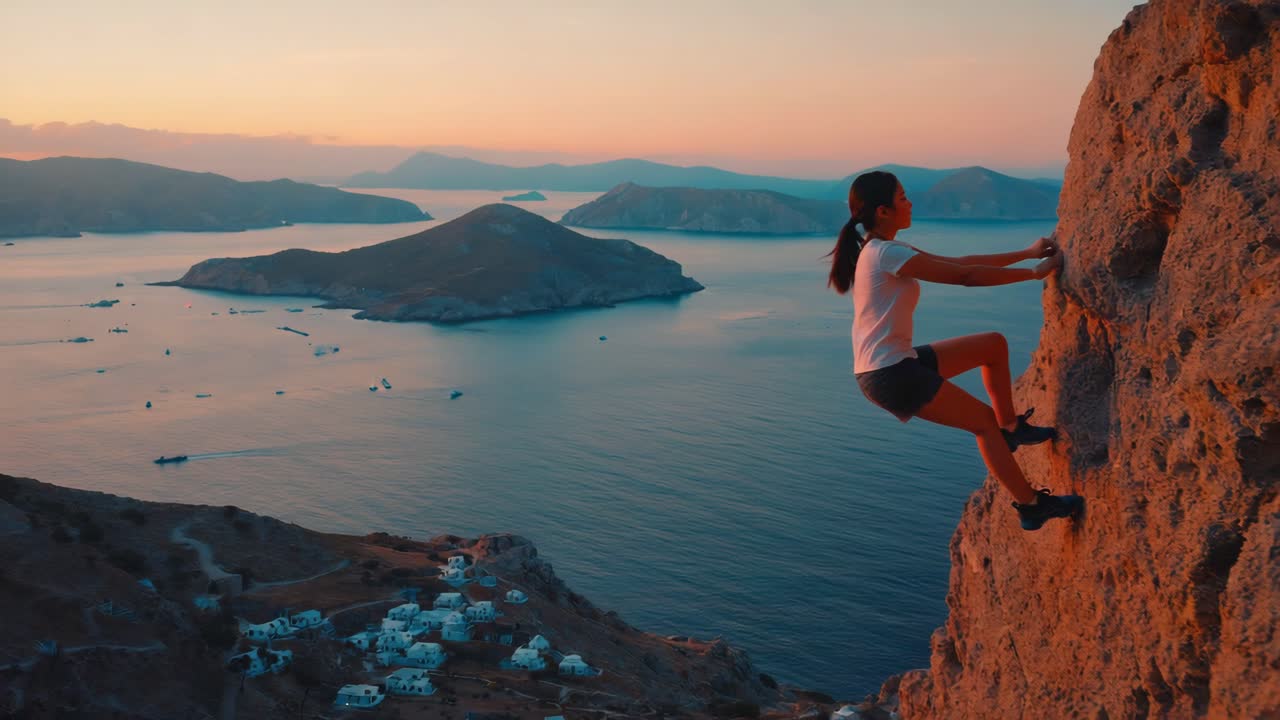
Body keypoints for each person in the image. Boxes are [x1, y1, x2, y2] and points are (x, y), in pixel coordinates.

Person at [828, 171, 1083, 531]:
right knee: (983, 424)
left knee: (992, 345)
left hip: (896, 363)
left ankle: (1011, 428)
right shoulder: (885, 254)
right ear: (883, 211)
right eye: (902, 198)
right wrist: (1033, 273)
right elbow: (965, 277)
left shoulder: (885, 250)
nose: (910, 202)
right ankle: (1031, 505)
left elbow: (962, 263)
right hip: (889, 374)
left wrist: (1026, 254)